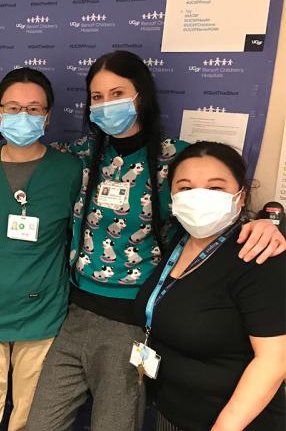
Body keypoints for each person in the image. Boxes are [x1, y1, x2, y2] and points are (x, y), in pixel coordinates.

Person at [25, 51, 286, 431]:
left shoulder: (175, 159)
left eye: (117, 93)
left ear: (141, 95)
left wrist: (271, 219)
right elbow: (22, 158)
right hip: (75, 309)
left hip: (132, 318)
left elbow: (220, 192)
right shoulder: (79, 155)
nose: (106, 104)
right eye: (97, 97)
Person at [0, 68, 82, 431]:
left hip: (42, 313)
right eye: (12, 107)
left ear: (47, 116)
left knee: (33, 421)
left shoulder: (69, 170)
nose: (22, 116)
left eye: (33, 108)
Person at [134, 141, 285, 431]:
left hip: (232, 422)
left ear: (241, 196)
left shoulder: (258, 254)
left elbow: (274, 362)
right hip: (171, 412)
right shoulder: (175, 240)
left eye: (216, 188)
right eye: (186, 188)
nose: (198, 197)